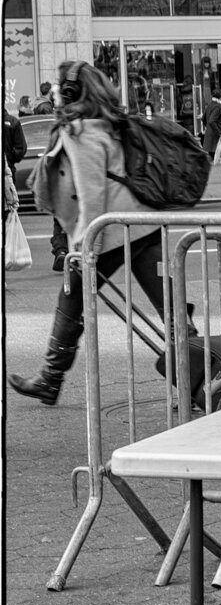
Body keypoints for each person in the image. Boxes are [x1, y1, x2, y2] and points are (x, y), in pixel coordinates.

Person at [9, 61, 172, 405]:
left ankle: (50, 380)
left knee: (70, 303)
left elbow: (92, 195)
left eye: (57, 86)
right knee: (168, 309)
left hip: (109, 233)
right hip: (143, 225)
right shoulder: (110, 123)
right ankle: (198, 379)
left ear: (71, 92)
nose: (53, 91)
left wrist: (84, 247)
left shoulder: (80, 131)